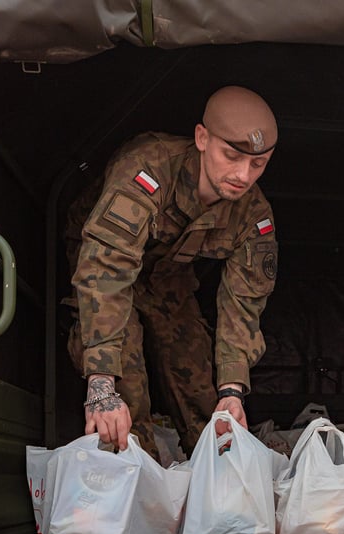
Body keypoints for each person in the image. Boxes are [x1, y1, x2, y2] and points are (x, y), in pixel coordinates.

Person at [63, 86, 278, 459]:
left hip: (169, 276)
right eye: (231, 156)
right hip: (106, 264)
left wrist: (232, 390)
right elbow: (106, 267)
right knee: (124, 391)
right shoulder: (148, 167)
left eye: (258, 164)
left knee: (200, 387)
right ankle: (136, 476)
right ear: (202, 138)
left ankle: (215, 479)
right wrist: (100, 384)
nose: (243, 175)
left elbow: (243, 302)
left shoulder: (253, 213)